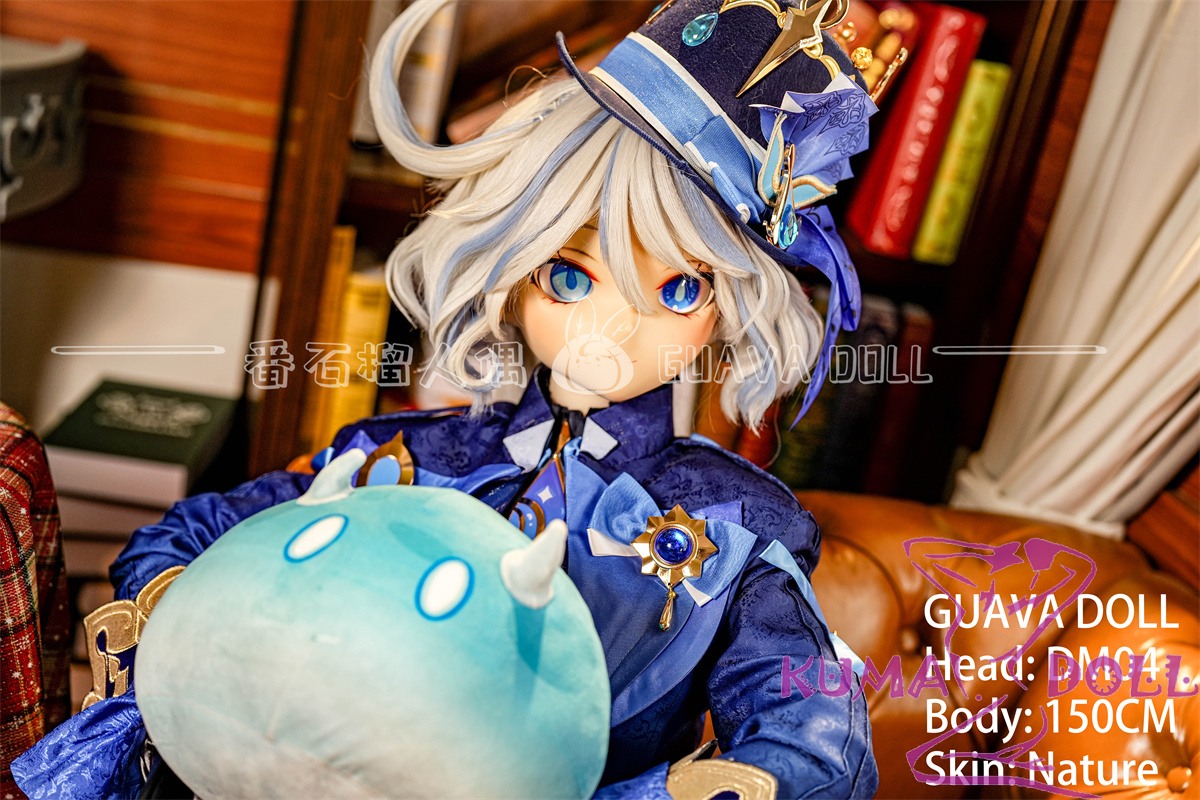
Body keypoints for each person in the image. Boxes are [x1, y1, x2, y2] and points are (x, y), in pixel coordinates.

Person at [16, 0, 880, 796]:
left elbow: (817, 734)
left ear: (731, 305)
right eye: (570, 275)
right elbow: (186, 535)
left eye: (678, 289)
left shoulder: (740, 525)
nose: (610, 330)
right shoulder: (403, 458)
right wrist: (194, 655)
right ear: (512, 271)